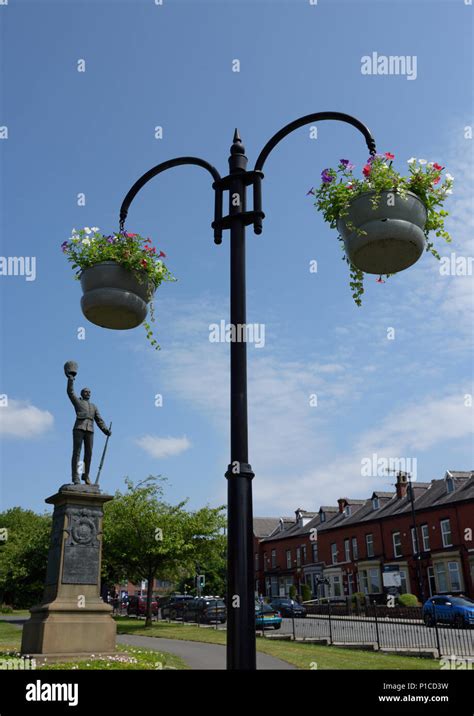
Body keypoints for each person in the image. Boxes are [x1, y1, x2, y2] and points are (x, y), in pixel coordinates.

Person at [66, 373, 111, 485]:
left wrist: (105, 430)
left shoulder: (94, 406)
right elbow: (70, 392)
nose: (88, 393)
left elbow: (99, 420)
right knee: (77, 453)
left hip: (90, 430)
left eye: (90, 392)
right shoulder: (78, 402)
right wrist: (71, 380)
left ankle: (85, 476)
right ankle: (75, 476)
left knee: (88, 454)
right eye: (86, 392)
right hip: (79, 428)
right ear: (82, 393)